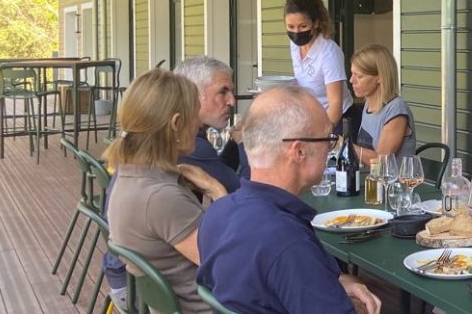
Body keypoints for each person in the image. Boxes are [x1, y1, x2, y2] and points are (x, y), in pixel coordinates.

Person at [196, 85, 382, 314]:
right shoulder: (287, 242)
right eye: (328, 139)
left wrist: (338, 281)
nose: (330, 148)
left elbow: (270, 283)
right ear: (298, 151)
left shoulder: (218, 213)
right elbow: (288, 262)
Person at [104, 69, 228, 313]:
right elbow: (226, 267)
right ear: (176, 123)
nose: (198, 123)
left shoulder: (129, 176)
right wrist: (217, 192)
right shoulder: (160, 198)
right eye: (195, 114)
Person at [174, 56, 249, 190]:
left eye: (231, 92)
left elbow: (217, 170)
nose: (232, 101)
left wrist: (234, 142)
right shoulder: (191, 144)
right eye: (223, 92)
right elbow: (244, 194)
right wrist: (245, 145)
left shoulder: (182, 133)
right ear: (193, 94)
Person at [284, 0, 353, 130]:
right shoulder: (295, 45)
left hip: (337, 119)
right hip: (311, 116)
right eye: (291, 26)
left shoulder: (329, 53)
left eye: (303, 26)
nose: (296, 32)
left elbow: (335, 104)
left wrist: (322, 134)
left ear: (315, 23)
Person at [349, 44, 416, 163]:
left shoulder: (396, 109)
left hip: (393, 181)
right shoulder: (368, 104)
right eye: (352, 74)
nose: (352, 80)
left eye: (359, 76)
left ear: (379, 77)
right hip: (371, 180)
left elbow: (381, 161)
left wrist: (344, 145)